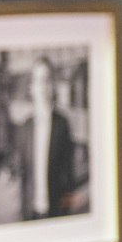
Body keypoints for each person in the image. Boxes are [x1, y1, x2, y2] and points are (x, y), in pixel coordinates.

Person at [13, 57, 84, 220]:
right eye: (38, 81)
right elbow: (23, 176)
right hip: (30, 213)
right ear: (32, 88)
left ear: (53, 86)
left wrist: (66, 212)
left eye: (47, 80)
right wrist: (23, 212)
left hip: (56, 212)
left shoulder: (62, 124)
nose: (43, 87)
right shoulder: (25, 127)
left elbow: (69, 173)